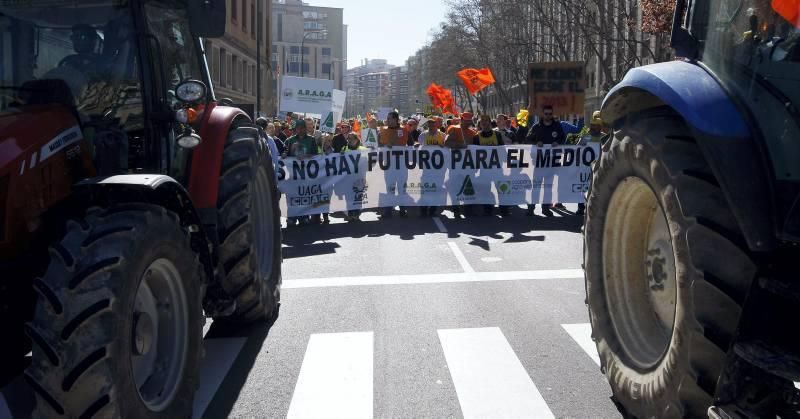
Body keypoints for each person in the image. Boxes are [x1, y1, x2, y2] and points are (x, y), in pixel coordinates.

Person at [525, 105, 565, 217]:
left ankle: (545, 208)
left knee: (548, 186)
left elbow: (563, 138)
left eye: (550, 114)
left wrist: (558, 142)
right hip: (538, 163)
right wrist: (536, 142)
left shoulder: (557, 126)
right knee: (536, 186)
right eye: (546, 114)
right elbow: (528, 139)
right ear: (542, 114)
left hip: (552, 163)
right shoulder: (536, 126)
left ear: (552, 114)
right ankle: (531, 208)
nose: (548, 116)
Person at [283, 120, 319, 226]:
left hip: (306, 175)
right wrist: (286, 153)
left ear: (305, 128)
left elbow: (316, 155)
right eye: (298, 128)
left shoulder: (311, 140)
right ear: (296, 129)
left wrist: (306, 156)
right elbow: (284, 153)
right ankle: (292, 217)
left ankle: (304, 217)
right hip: (293, 175)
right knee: (292, 196)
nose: (300, 130)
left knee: (304, 195)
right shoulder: (290, 140)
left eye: (302, 128)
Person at [473, 115, 506, 216]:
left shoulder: (497, 135)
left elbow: (503, 150)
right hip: (484, 169)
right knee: (485, 189)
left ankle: (504, 209)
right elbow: (474, 154)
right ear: (480, 124)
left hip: (497, 168)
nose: (484, 123)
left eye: (486, 121)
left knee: (501, 189)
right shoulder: (476, 137)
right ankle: (487, 209)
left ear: (490, 123)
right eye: (482, 121)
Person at [378, 111, 409, 218]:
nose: (388, 120)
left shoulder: (404, 130)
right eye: (387, 118)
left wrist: (416, 145)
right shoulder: (382, 130)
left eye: (390, 118)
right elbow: (379, 144)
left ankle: (402, 209)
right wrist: (385, 144)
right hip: (389, 165)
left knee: (402, 187)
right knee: (390, 187)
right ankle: (388, 210)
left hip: (402, 165)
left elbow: (411, 143)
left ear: (396, 120)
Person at [575, 111, 606, 216]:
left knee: (596, 187)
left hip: (599, 166)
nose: (594, 127)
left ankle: (593, 207)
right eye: (592, 125)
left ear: (600, 126)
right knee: (583, 186)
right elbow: (577, 148)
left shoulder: (604, 137)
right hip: (585, 167)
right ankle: (581, 207)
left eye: (596, 125)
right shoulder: (585, 136)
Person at [418, 119, 446, 217]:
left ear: (437, 124)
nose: (431, 126)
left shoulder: (442, 135)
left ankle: (433, 209)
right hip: (427, 168)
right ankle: (424, 208)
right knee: (425, 187)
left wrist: (441, 146)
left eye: (433, 124)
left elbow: (446, 148)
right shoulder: (422, 135)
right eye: (429, 124)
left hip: (439, 168)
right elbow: (419, 148)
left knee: (437, 187)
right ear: (427, 125)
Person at [341, 133, 368, 222]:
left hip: (359, 177)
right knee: (348, 197)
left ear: (357, 139)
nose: (349, 140)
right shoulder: (344, 149)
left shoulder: (363, 149)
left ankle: (356, 213)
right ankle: (350, 213)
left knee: (358, 196)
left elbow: (368, 163)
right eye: (348, 138)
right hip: (348, 177)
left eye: (351, 138)